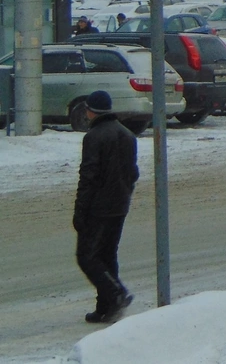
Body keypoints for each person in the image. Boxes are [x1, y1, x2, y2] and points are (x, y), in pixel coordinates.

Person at [74, 90, 138, 323]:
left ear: (91, 111)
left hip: (98, 208)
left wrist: (80, 211)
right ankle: (105, 308)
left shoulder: (94, 137)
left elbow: (88, 177)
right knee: (107, 256)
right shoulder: (128, 135)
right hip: (119, 205)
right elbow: (133, 173)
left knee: (87, 257)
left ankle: (116, 293)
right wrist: (125, 194)